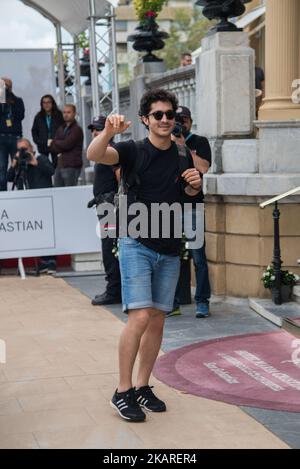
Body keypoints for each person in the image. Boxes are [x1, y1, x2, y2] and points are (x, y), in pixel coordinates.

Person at [87, 88, 201, 422]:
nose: (165, 120)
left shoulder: (182, 155)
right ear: (145, 119)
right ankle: (122, 391)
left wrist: (195, 184)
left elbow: (189, 195)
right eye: (158, 115)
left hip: (169, 246)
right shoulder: (133, 150)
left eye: (170, 114)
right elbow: (95, 154)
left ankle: (142, 386)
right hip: (136, 242)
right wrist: (108, 131)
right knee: (139, 317)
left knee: (157, 319)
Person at [169, 105, 212, 319]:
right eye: (175, 119)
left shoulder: (199, 142)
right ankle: (173, 302)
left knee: (198, 257)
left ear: (190, 122)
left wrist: (182, 144)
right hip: (172, 207)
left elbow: (203, 168)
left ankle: (202, 301)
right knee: (171, 257)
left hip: (193, 206)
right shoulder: (166, 143)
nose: (179, 124)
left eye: (183, 120)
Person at [7, 138, 56, 273]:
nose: (23, 152)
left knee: (46, 230)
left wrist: (35, 163)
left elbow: (51, 171)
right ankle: (42, 261)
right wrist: (15, 162)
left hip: (44, 201)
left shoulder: (41, 158)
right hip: (27, 203)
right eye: (20, 149)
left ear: (31, 147)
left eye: (25, 148)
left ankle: (50, 261)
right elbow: (9, 177)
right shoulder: (20, 163)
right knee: (35, 231)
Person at [88, 116, 121, 306]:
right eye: (93, 129)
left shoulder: (111, 151)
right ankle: (115, 289)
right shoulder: (102, 151)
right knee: (109, 247)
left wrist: (117, 203)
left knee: (110, 249)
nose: (94, 132)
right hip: (105, 206)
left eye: (98, 129)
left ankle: (114, 291)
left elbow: (120, 178)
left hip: (111, 208)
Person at [0, 78, 25, 191]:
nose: (5, 88)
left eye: (7, 86)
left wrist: (11, 99)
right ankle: (3, 193)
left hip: (15, 138)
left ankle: (19, 190)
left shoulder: (18, 100)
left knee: (17, 165)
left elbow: (21, 116)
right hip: (1, 138)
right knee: (2, 167)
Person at [50, 104, 83, 187]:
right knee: (58, 191)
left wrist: (55, 141)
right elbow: (53, 147)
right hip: (59, 165)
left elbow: (67, 144)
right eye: (64, 112)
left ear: (74, 113)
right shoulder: (61, 128)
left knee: (70, 192)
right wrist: (58, 143)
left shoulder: (77, 129)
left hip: (71, 166)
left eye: (68, 112)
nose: (66, 114)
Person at [31, 95, 64, 168]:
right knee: (44, 167)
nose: (46, 105)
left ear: (52, 103)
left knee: (58, 166)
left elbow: (64, 129)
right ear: (42, 104)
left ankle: (57, 179)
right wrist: (38, 141)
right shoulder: (38, 116)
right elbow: (34, 131)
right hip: (43, 145)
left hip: (56, 145)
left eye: (48, 102)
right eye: (44, 103)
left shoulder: (59, 115)